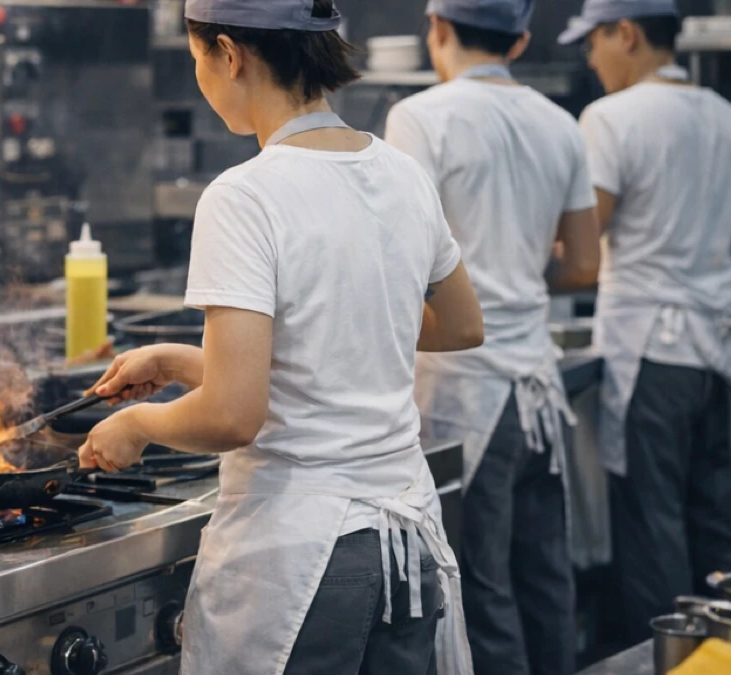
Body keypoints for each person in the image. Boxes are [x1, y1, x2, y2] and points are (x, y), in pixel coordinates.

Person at [76, 0, 485, 671]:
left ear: (228, 54)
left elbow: (232, 415)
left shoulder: (244, 196)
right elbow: (461, 324)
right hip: (405, 545)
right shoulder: (401, 173)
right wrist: (182, 361)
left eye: (198, 59)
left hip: (306, 557)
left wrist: (138, 424)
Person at [384, 2, 602, 674]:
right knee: (546, 581)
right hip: (539, 390)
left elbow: (399, 258)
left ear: (439, 28)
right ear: (521, 41)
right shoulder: (560, 123)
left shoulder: (418, 117)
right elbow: (583, 264)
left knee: (483, 590)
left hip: (464, 391)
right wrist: (517, 273)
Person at [558, 0, 731, 643]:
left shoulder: (611, 117)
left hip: (653, 355)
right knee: (725, 526)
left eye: (593, 42)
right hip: (723, 355)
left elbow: (584, 248)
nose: (591, 58)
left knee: (654, 528)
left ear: (627, 33)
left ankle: (668, 661)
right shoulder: (727, 118)